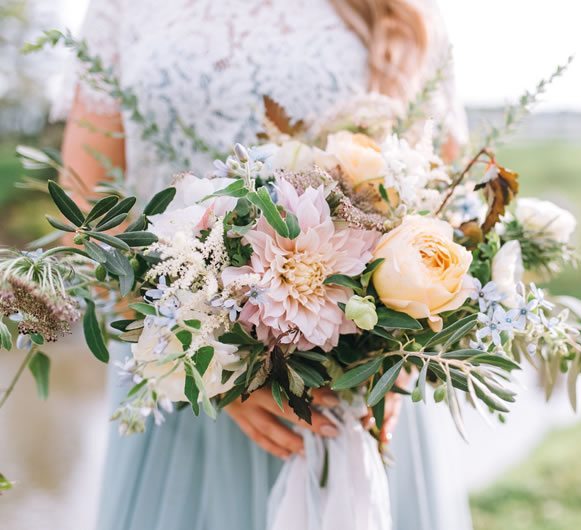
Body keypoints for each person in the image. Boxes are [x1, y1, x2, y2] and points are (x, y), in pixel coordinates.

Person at [59, 1, 471, 528]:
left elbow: (446, 197)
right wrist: (203, 366)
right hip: (188, 386)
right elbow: (86, 208)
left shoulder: (404, 12)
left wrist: (401, 361)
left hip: (359, 387)